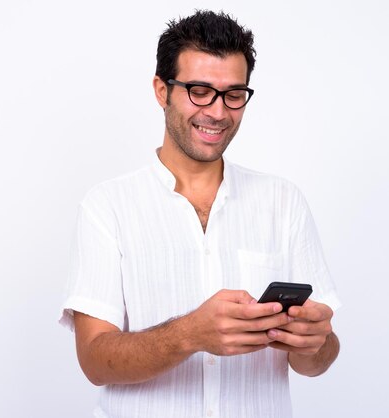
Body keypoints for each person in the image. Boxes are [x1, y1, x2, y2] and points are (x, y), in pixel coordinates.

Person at [59, 9, 341, 418]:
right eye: (199, 90)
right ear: (162, 90)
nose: (218, 112)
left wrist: (314, 342)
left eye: (233, 94)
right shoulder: (108, 207)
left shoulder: (284, 202)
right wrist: (189, 334)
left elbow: (317, 360)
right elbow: (95, 360)